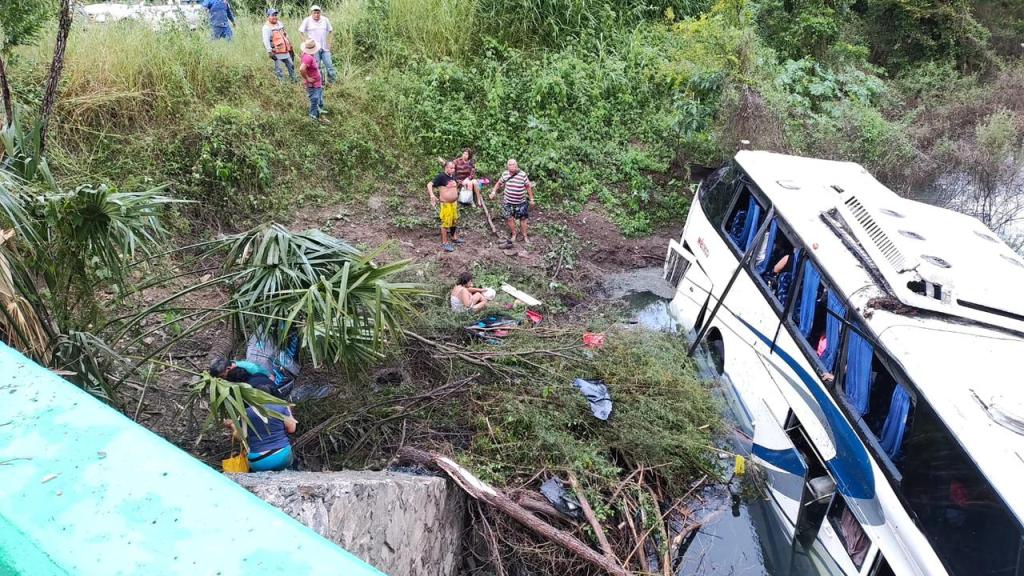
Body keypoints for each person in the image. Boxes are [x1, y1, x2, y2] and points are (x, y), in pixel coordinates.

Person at [223, 368, 298, 472]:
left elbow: (241, 436)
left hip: (257, 461)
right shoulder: (281, 407)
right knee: (290, 464)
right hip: (282, 456)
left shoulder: (245, 412)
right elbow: (292, 429)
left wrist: (232, 424)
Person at [490, 158, 535, 248]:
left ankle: (525, 236)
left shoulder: (522, 175)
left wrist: (531, 199)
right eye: (510, 165)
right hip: (508, 202)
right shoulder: (505, 174)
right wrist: (493, 192)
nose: (512, 166)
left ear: (517, 165)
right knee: (509, 218)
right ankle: (514, 234)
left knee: (523, 219)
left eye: (513, 164)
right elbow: (499, 183)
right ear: (507, 166)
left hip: (521, 202)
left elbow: (528, 186)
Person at [428, 161, 462, 252]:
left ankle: (454, 237)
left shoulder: (453, 176)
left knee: (454, 220)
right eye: (451, 168)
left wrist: (458, 184)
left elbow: (453, 187)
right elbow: (429, 184)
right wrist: (432, 195)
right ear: (446, 168)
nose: (453, 170)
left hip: (453, 203)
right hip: (446, 204)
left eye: (454, 168)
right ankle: (445, 243)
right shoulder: (441, 176)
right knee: (445, 222)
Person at [298, 5, 337, 85]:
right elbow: (300, 31)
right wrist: (306, 42)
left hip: (324, 48)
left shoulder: (325, 20)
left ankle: (332, 83)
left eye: (318, 13)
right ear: (311, 13)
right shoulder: (307, 20)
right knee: (317, 67)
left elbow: (331, 31)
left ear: (320, 13)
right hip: (314, 49)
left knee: (329, 66)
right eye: (314, 13)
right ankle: (320, 83)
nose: (316, 15)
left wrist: (329, 43)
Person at [262, 9, 297, 82]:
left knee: (291, 66)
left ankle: (294, 81)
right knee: (279, 70)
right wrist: (269, 51)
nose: (275, 17)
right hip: (276, 52)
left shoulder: (280, 23)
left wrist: (290, 47)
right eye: (273, 15)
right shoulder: (266, 27)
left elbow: (285, 35)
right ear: (268, 16)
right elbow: (266, 40)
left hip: (286, 50)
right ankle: (282, 85)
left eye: (275, 15)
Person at [298, 39, 328, 123]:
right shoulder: (308, 57)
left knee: (319, 100)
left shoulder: (308, 55)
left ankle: (319, 116)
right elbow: (301, 69)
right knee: (315, 101)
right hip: (313, 84)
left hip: (317, 83)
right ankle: (312, 118)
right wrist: (307, 78)